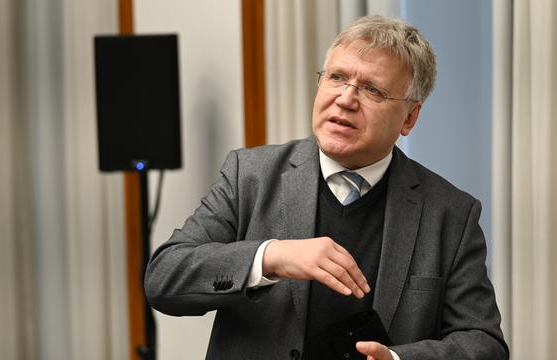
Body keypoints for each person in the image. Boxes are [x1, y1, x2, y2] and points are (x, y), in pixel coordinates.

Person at [144, 15, 508, 360]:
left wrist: (399, 358)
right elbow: (164, 278)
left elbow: (483, 342)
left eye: (372, 90)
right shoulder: (250, 175)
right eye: (336, 77)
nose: (346, 99)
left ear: (410, 117)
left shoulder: (451, 212)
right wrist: (272, 257)